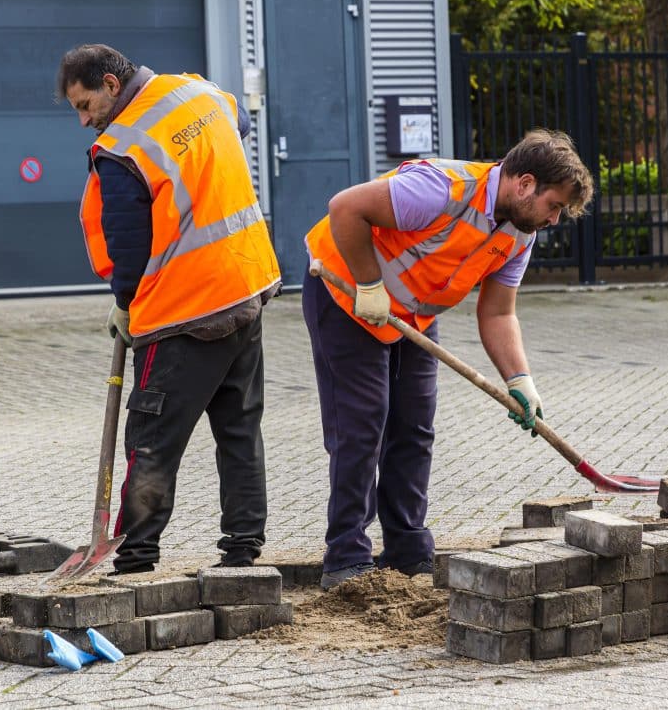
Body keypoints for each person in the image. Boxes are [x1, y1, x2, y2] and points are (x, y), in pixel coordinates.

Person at [302, 129, 594, 590]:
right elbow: (345, 207)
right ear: (525, 184)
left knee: (414, 427)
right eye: (553, 205)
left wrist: (520, 380)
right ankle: (346, 559)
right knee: (362, 425)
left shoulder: (520, 233)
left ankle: (407, 550)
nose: (554, 219)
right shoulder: (442, 189)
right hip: (345, 293)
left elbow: (498, 312)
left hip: (412, 315)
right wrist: (368, 285)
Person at [56, 44, 282, 574]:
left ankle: (134, 556)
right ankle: (243, 549)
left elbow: (129, 244)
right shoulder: (200, 92)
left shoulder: (122, 149)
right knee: (239, 427)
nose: (85, 120)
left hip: (184, 309)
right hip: (246, 287)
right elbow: (239, 125)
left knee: (151, 439)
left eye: (86, 105)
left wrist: (126, 306)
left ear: (112, 85)